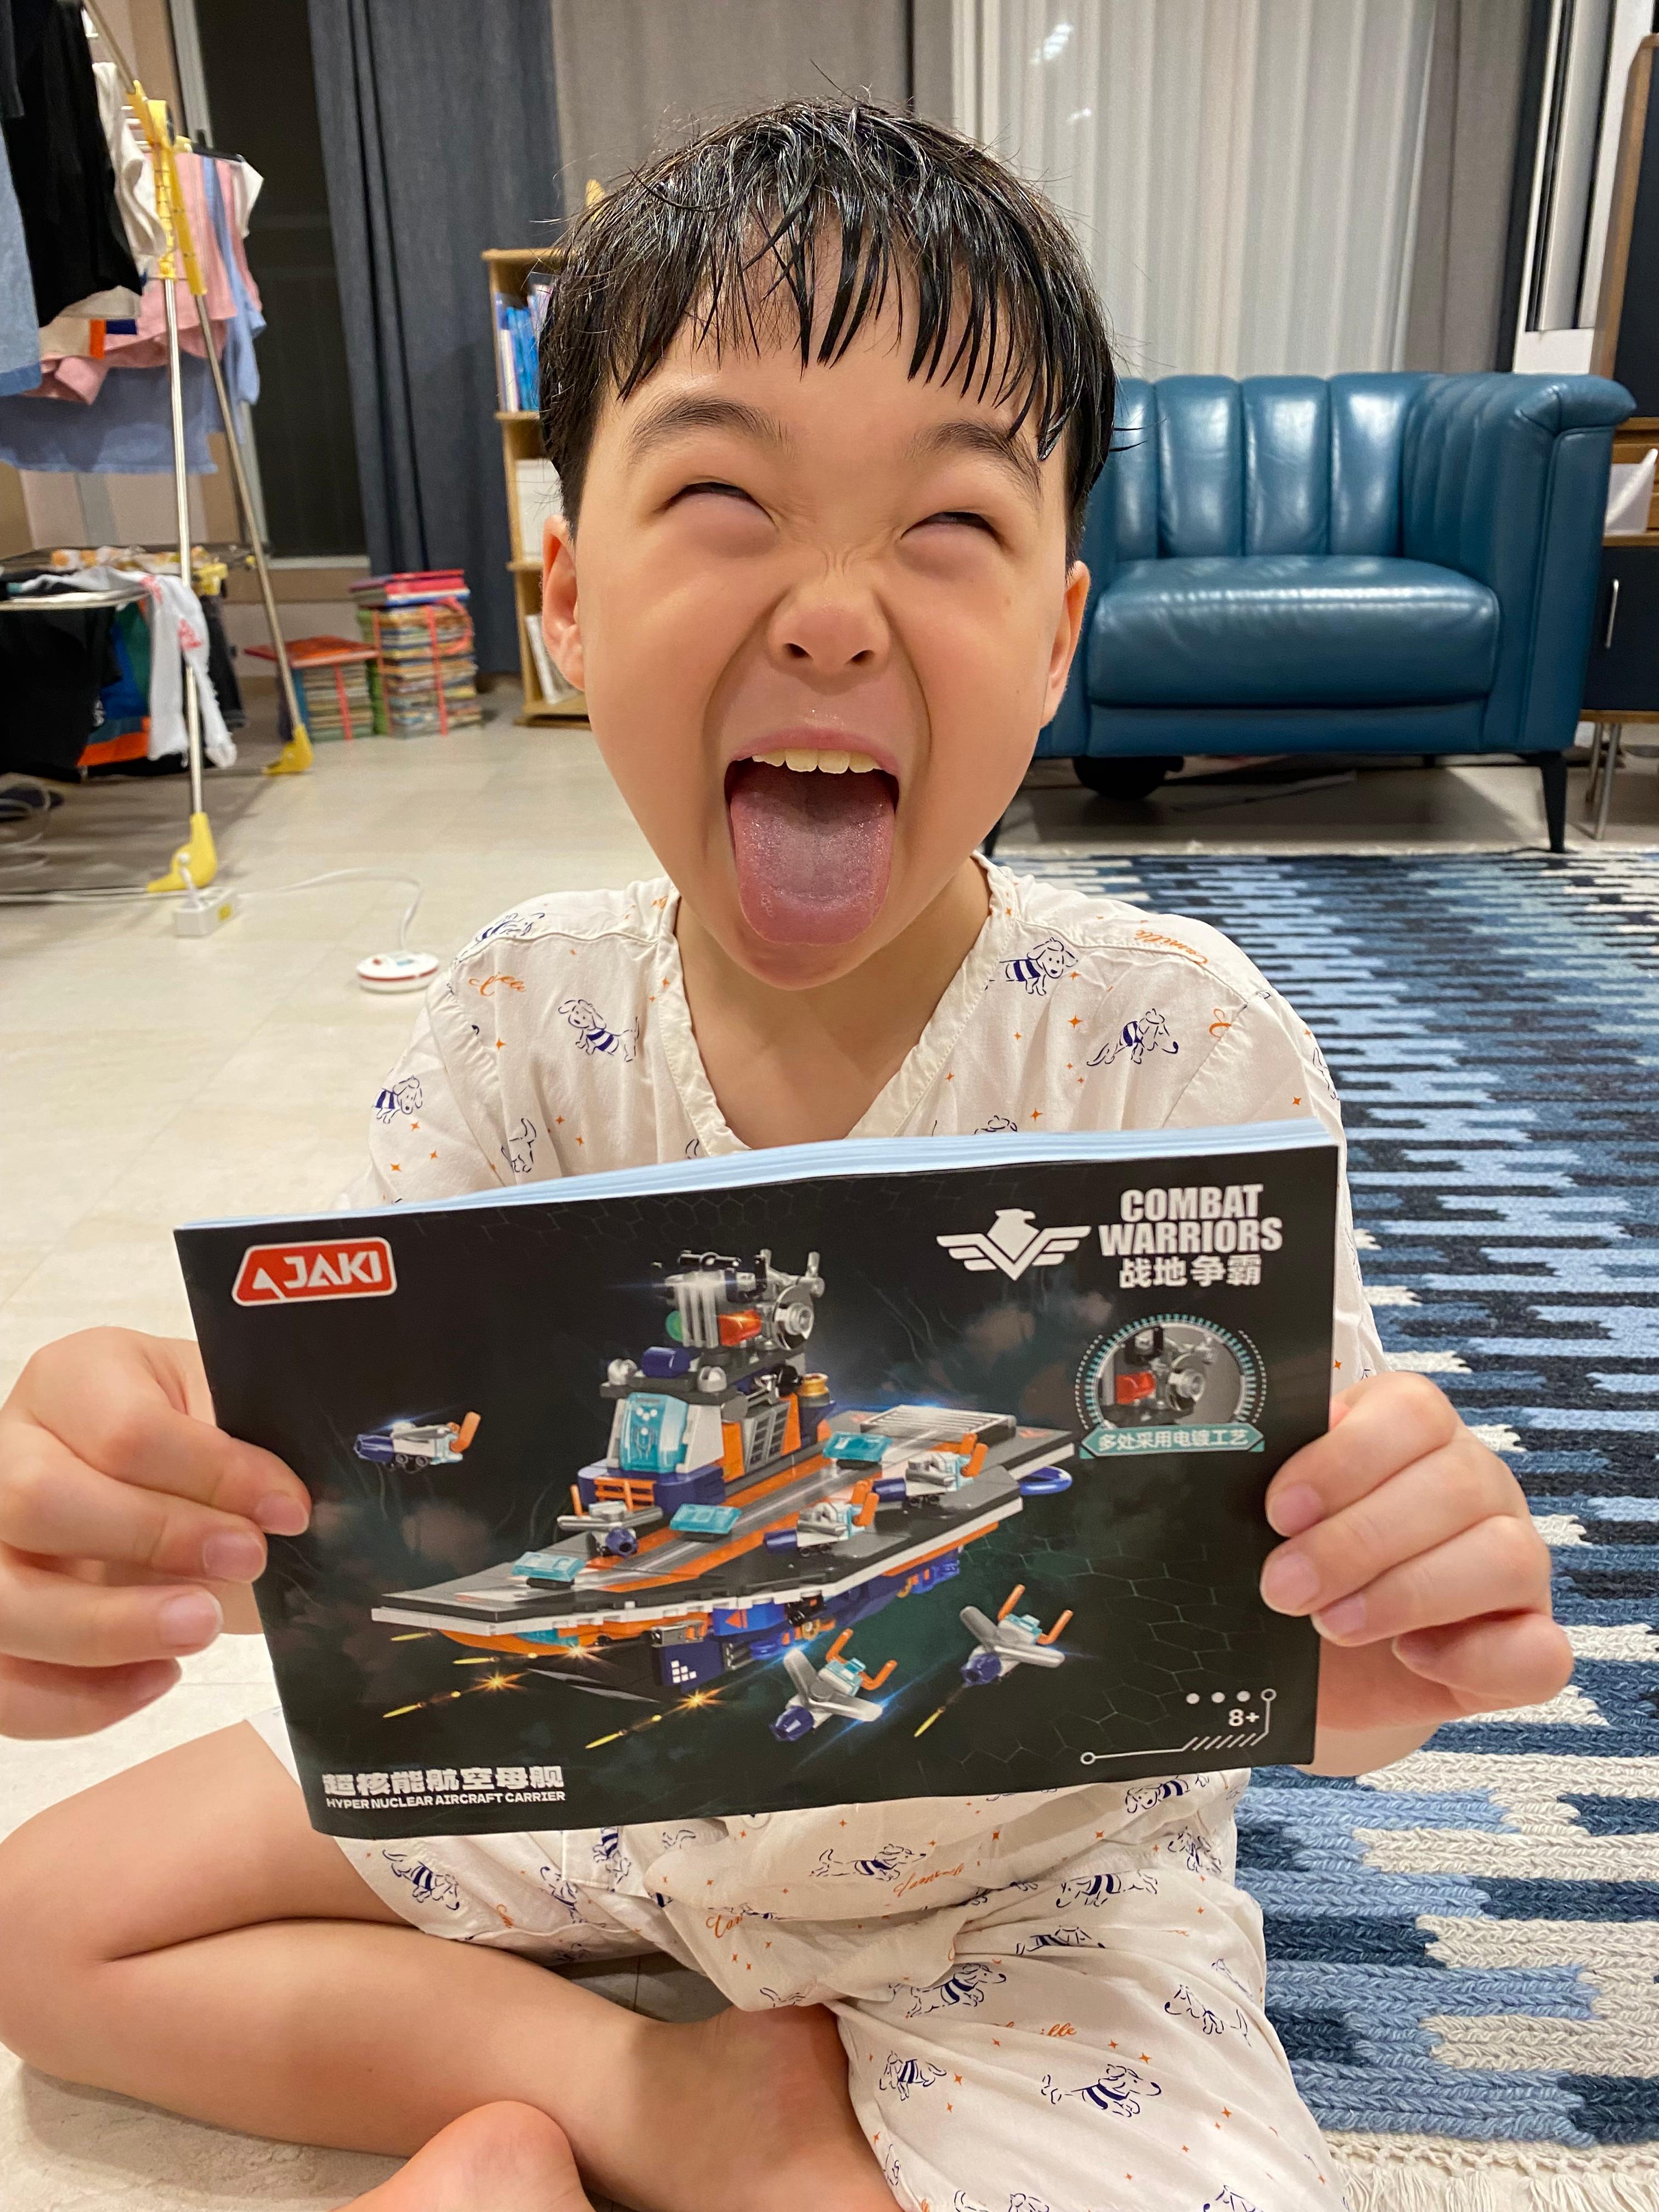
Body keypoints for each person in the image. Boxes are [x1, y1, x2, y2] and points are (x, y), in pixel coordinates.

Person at [0, 101, 1569, 2212]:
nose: (834, 615)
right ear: (568, 594)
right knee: (43, 1922)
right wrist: (141, 1488)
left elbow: (1311, 1655)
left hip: (1017, 1880)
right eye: (724, 499)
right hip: (595, 1794)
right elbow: (378, 1466)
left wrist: (1382, 1648)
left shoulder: (1178, 1047)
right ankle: (641, 2100)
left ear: (1058, 639)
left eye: (950, 525)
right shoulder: (515, 1014)